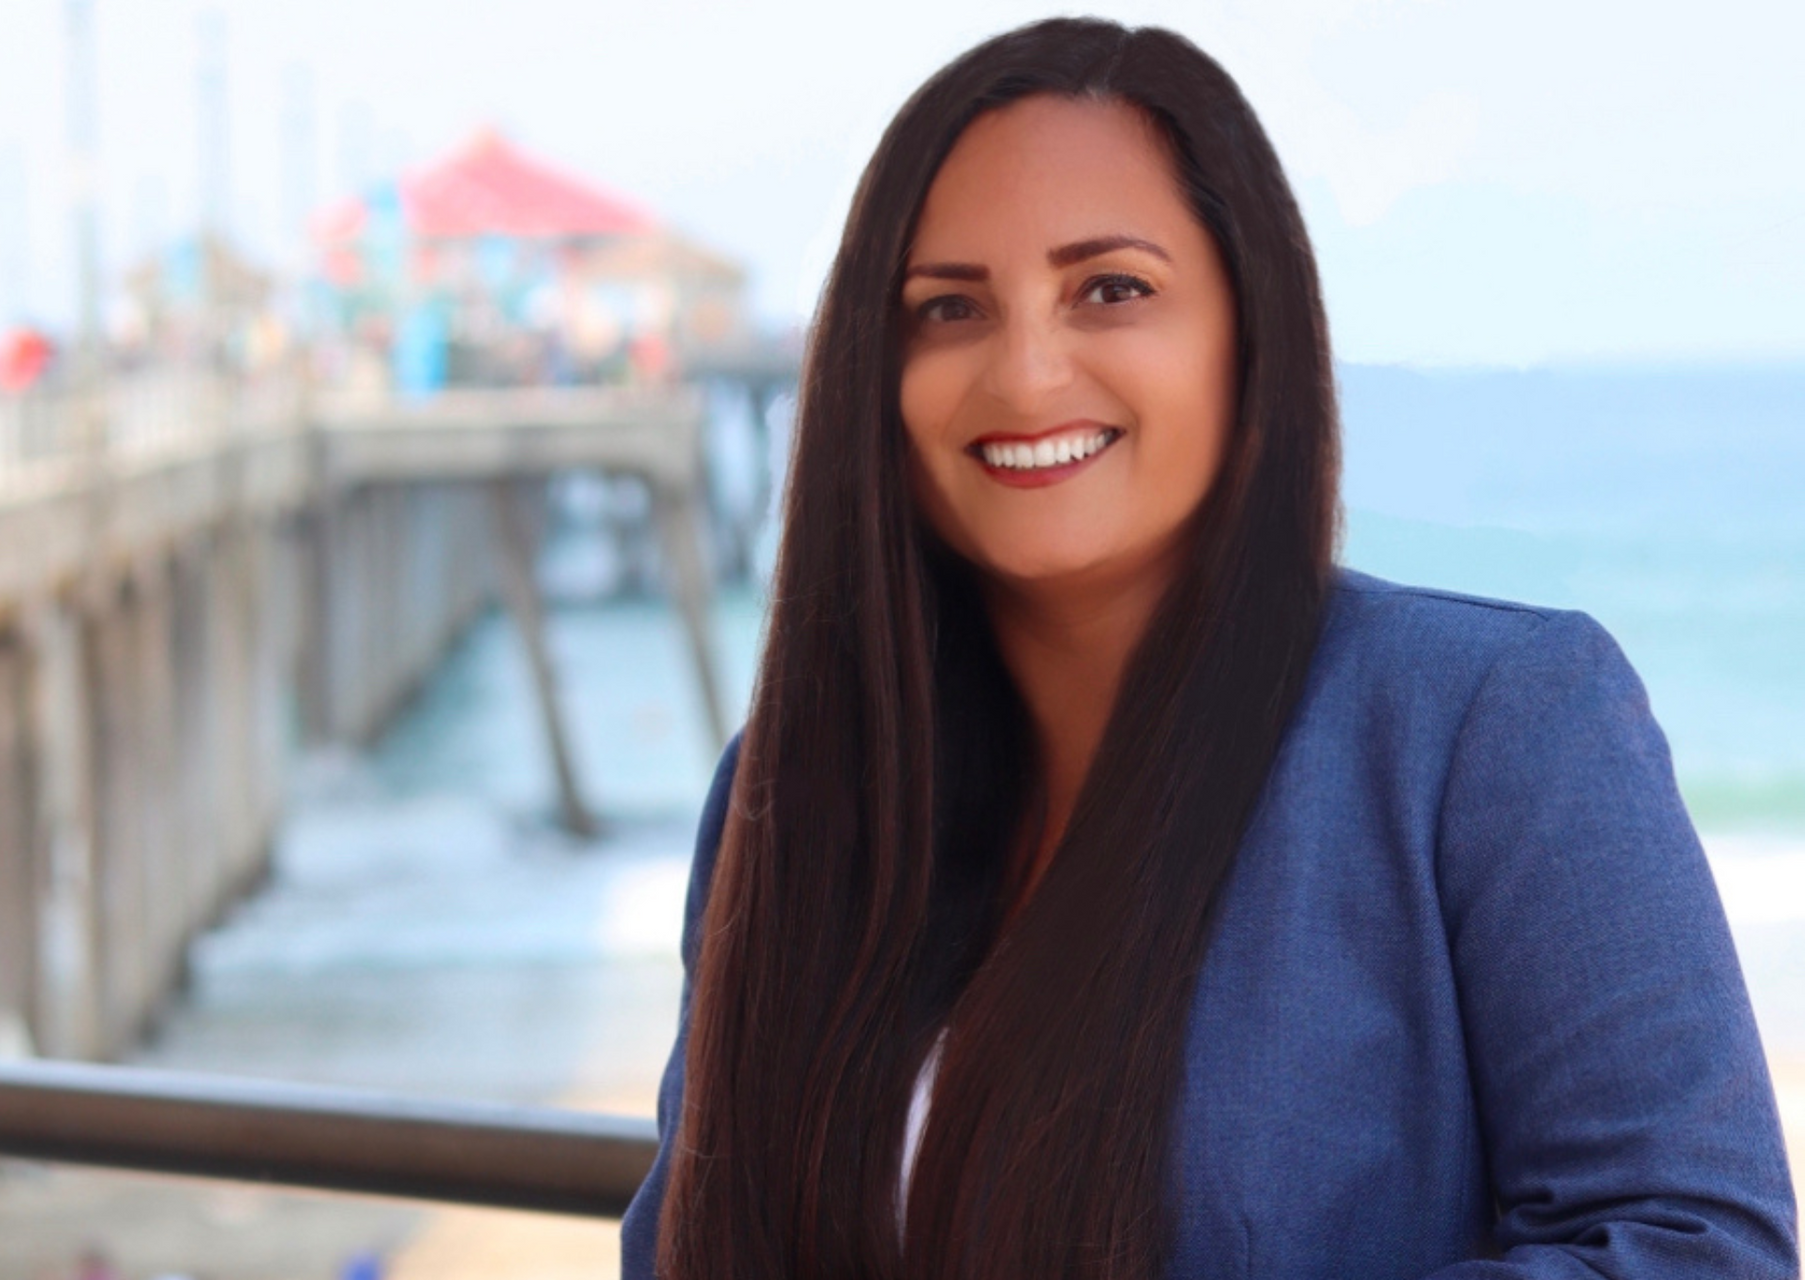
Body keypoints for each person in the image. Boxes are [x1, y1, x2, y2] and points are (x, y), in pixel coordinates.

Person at [621, 18, 1797, 1279]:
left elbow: (1695, 1248)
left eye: (1110, 289)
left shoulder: (1490, 724)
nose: (1024, 374)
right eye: (947, 307)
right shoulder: (787, 789)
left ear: (1250, 331)